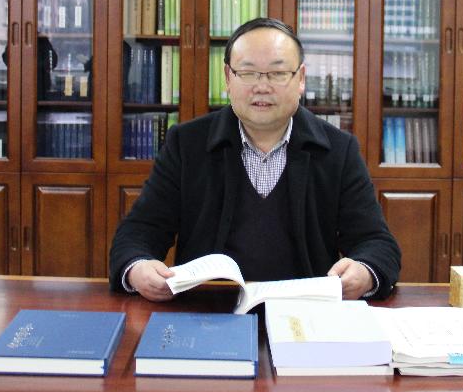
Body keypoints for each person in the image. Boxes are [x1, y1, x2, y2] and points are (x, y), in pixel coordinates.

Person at [109, 17, 401, 302]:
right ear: (228, 78)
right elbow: (139, 232)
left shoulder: (338, 150)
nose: (262, 86)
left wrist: (365, 272)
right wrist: (138, 267)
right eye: (248, 73)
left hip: (306, 312)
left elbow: (376, 243)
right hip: (207, 309)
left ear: (300, 79)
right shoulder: (187, 144)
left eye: (277, 73)